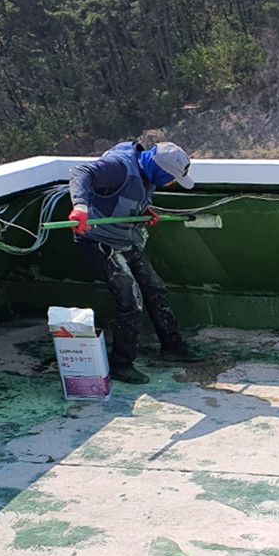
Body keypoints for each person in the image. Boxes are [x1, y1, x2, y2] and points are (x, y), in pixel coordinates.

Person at [67, 140, 201, 384]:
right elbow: (82, 172)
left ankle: (173, 348)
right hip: (99, 241)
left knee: (155, 289)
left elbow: (126, 198)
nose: (171, 183)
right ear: (160, 170)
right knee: (131, 301)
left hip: (125, 238)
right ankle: (121, 364)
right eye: (171, 178)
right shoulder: (119, 166)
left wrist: (143, 210)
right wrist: (80, 207)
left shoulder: (147, 171)